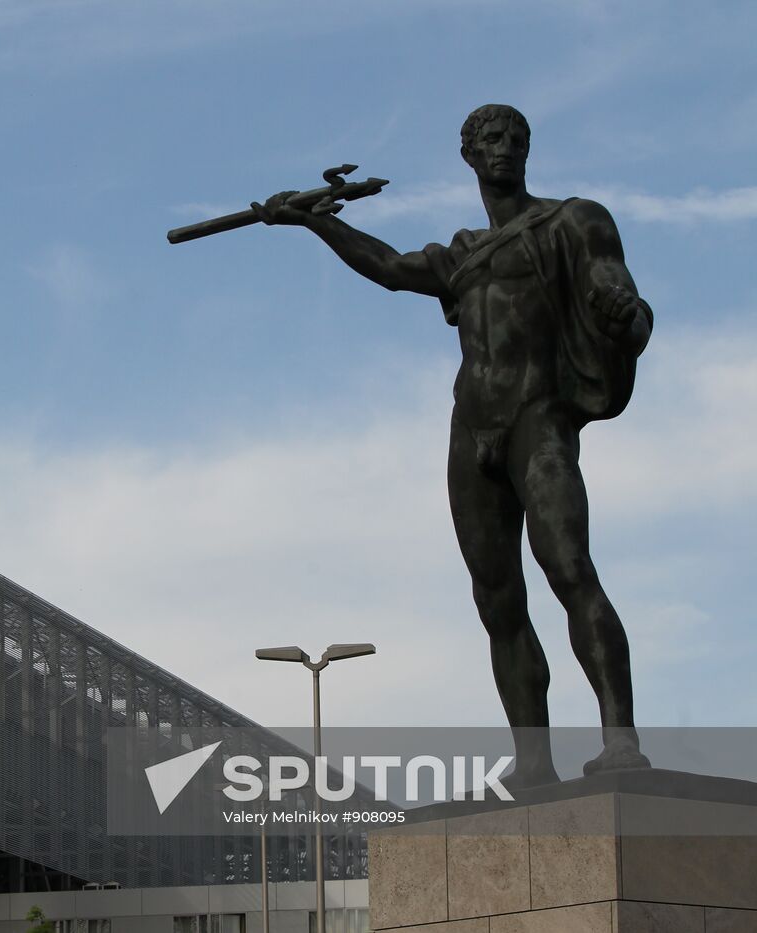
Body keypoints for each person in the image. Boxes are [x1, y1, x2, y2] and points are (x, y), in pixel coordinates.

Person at [252, 104, 653, 785]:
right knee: (497, 599)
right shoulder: (464, 254)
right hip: (472, 428)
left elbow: (624, 305)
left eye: (516, 139)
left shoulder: (573, 221)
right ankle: (532, 760)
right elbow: (388, 265)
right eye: (491, 139)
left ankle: (619, 738)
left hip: (539, 418)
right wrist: (316, 220)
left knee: (568, 567)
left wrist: (629, 319)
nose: (505, 149)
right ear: (467, 153)